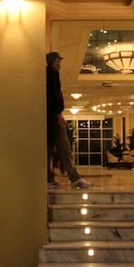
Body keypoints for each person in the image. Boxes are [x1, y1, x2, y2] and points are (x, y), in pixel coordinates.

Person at [46, 51, 91, 189]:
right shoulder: (52, 73)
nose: (60, 64)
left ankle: (49, 178)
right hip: (53, 117)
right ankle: (74, 178)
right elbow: (53, 95)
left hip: (48, 118)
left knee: (49, 150)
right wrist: (58, 114)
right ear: (55, 61)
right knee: (64, 147)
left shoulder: (46, 73)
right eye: (59, 61)